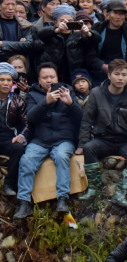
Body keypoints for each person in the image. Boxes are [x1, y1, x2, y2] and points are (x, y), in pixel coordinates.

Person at [76, 58, 127, 208]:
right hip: (104, 138)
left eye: (124, 74)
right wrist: (82, 144)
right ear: (109, 76)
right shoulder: (97, 93)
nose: (120, 78)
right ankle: (94, 189)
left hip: (126, 140)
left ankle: (121, 194)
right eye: (117, 74)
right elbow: (87, 120)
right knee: (89, 148)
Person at [12, 62, 81, 220]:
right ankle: (24, 202)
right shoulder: (32, 94)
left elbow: (80, 119)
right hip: (40, 140)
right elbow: (30, 118)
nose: (49, 80)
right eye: (45, 77)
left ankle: (63, 199)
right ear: (39, 80)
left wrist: (70, 104)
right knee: (27, 160)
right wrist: (46, 102)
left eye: (52, 77)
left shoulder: (68, 91)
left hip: (64, 138)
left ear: (58, 77)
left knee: (62, 156)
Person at [0, 62, 26, 198]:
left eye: (8, 80)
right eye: (2, 80)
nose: (5, 83)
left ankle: (9, 184)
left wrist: (21, 135)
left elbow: (26, 123)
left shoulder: (18, 101)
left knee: (18, 148)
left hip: (8, 138)